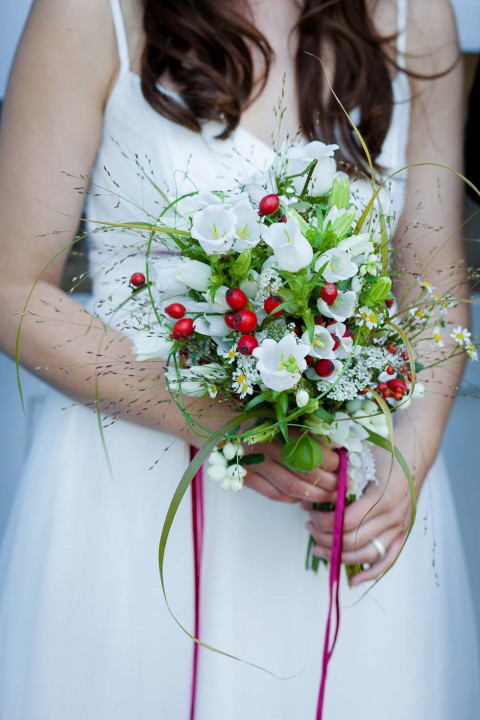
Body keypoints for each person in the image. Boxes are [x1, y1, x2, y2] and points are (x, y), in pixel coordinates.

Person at [0, 0, 478, 718]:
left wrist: (416, 448)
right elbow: (13, 286)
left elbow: (431, 266)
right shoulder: (89, 10)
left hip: (348, 495)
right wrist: (211, 414)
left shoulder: (414, 13)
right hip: (137, 485)